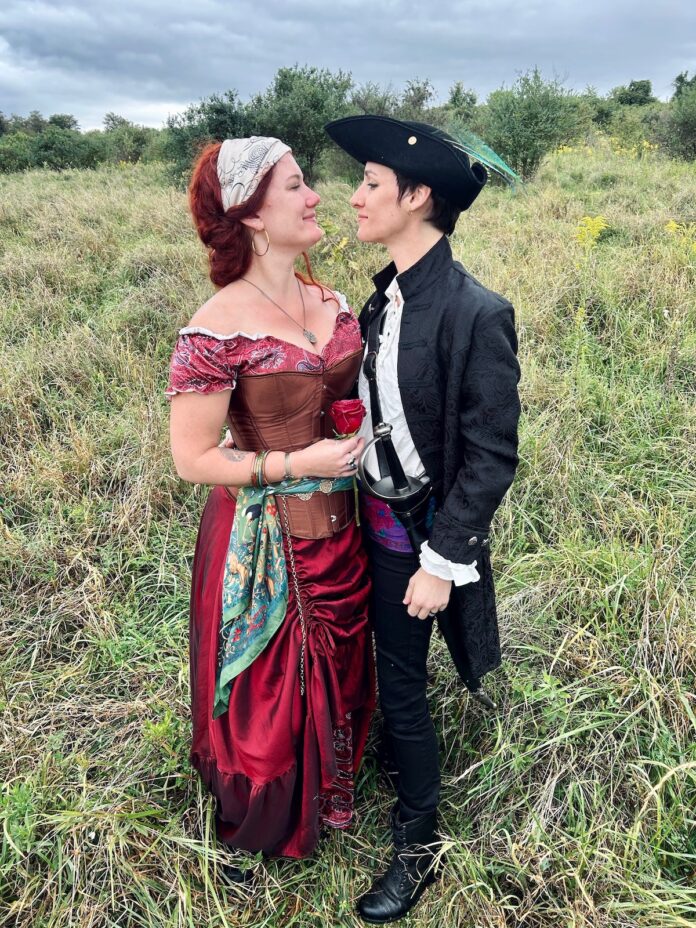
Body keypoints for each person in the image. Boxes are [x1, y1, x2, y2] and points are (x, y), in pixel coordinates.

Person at [325, 115, 521, 922]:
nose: (357, 196)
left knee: (403, 684)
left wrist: (443, 562)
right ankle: (387, 770)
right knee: (381, 664)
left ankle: (419, 841)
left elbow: (491, 454)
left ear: (418, 197)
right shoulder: (383, 297)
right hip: (365, 519)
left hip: (422, 536)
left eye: (371, 184)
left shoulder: (477, 311)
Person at [166, 137, 375, 867]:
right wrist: (298, 462)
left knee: (346, 656)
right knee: (275, 687)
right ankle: (279, 805)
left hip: (348, 528)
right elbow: (193, 458)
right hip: (269, 540)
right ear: (252, 215)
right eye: (295, 186)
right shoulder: (218, 324)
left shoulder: (332, 300)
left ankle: (342, 776)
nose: (316, 195)